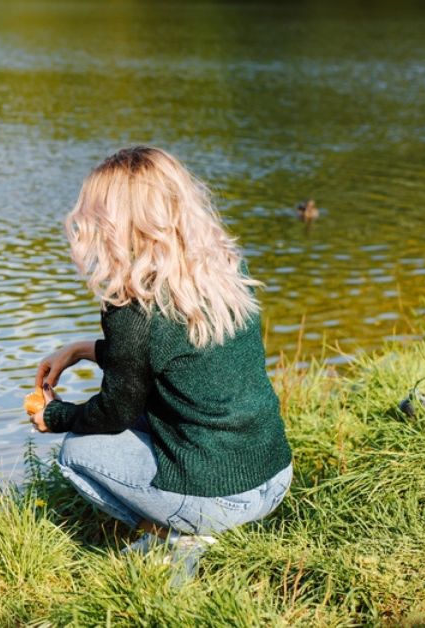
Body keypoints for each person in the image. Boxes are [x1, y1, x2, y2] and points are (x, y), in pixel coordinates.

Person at [29, 146, 292, 572]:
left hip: (222, 496)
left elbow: (115, 411)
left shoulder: (133, 310)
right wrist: (83, 350)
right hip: (274, 476)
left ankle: (183, 536)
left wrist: (56, 416)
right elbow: (179, 358)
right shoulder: (223, 269)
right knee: (146, 414)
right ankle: (194, 524)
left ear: (117, 222)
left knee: (77, 452)